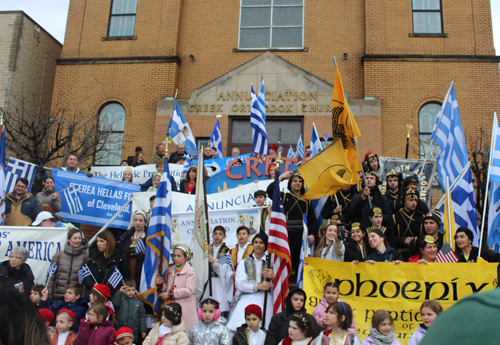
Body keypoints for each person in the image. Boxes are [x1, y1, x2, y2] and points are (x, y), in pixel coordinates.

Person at [267, 171, 318, 274]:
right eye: (295, 181)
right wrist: (281, 177)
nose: (298, 183)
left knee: (300, 263)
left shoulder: (307, 201)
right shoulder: (284, 197)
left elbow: (312, 220)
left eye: (300, 181)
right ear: (290, 184)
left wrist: (312, 234)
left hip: (301, 236)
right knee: (287, 262)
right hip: (287, 235)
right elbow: (270, 191)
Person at [227, 232, 274, 331]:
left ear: (265, 245)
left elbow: (277, 285)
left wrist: (274, 278)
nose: (258, 245)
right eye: (255, 242)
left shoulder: (271, 262)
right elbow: (240, 284)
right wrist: (257, 287)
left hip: (267, 299)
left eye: (261, 242)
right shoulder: (244, 262)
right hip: (247, 298)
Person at [158, 243, 197, 332]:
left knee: (183, 331)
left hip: (184, 307)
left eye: (179, 256)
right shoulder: (171, 269)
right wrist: (161, 285)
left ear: (186, 257)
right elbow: (167, 288)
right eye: (174, 255)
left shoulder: (190, 271)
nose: (175, 258)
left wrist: (170, 294)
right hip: (170, 305)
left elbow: (189, 290)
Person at [82, 230, 131, 299]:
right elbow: (86, 275)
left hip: (113, 296)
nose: (98, 244)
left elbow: (126, 276)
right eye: (97, 241)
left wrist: (126, 289)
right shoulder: (92, 256)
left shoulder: (119, 256)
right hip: (93, 295)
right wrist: (93, 285)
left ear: (109, 243)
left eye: (101, 241)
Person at [47, 228, 88, 300]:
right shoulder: (58, 255)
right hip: (58, 296)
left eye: (79, 238)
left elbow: (86, 280)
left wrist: (82, 297)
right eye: (75, 238)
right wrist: (48, 296)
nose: (78, 240)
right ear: (68, 239)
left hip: (75, 298)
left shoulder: (85, 257)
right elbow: (51, 278)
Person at [391, 188, 423, 260]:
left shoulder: (421, 217)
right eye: (411, 200)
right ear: (404, 201)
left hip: (417, 254)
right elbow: (390, 238)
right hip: (399, 254)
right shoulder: (395, 217)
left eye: (415, 200)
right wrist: (403, 240)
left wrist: (415, 241)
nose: (414, 203)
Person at [112, 278, 146, 344]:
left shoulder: (139, 302)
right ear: (124, 290)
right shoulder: (121, 299)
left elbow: (142, 317)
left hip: (134, 331)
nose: (131, 292)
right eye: (128, 290)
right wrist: (119, 292)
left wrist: (143, 330)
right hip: (121, 330)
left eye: (133, 290)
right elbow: (114, 304)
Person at [120, 209, 148, 286]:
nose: (137, 222)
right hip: (128, 268)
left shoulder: (149, 237)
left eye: (140, 220)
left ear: (145, 222)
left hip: (142, 269)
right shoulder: (126, 236)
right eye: (135, 220)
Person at [206, 226, 230, 315]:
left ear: (224, 236)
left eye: (220, 234)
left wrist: (214, 261)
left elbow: (224, 268)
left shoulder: (226, 250)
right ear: (212, 235)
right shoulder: (209, 248)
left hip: (220, 281)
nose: (217, 236)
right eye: (215, 234)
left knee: (219, 301)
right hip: (210, 280)